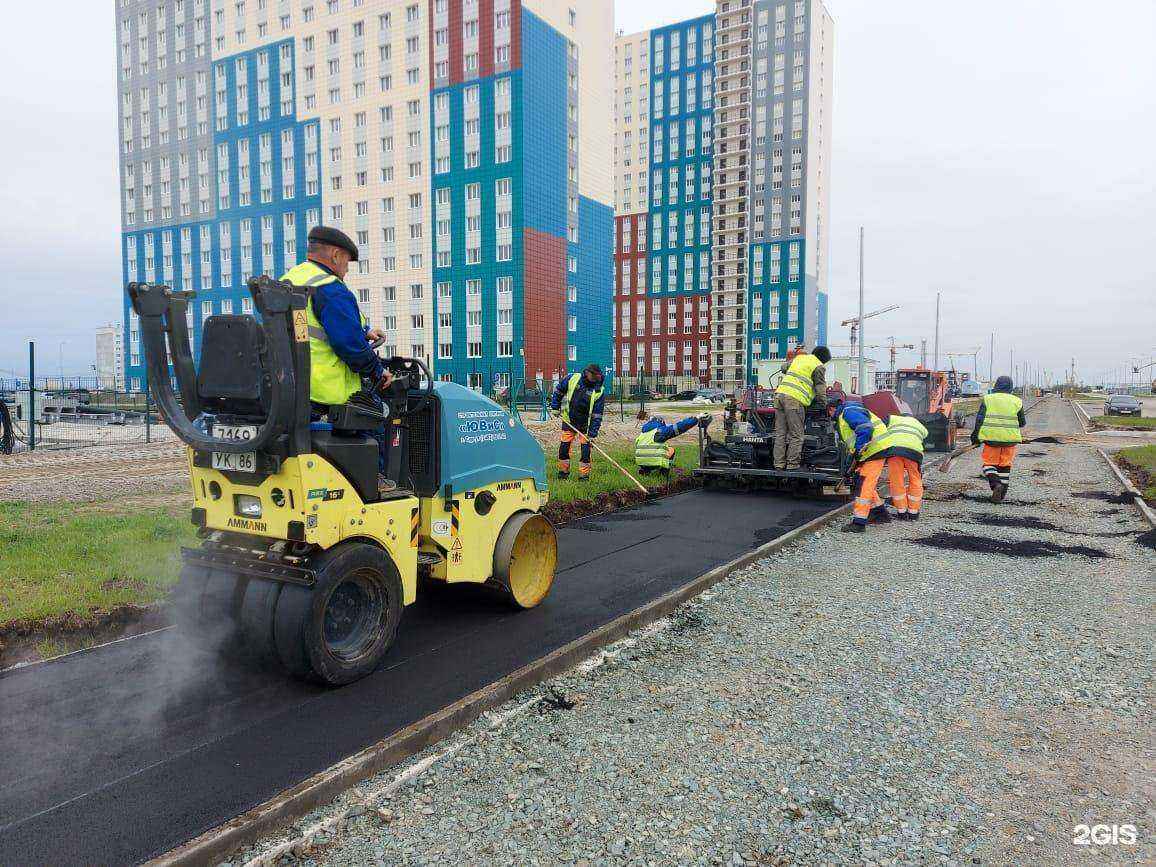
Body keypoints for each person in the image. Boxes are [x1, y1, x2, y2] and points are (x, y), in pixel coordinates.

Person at [281, 226, 393, 469]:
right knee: (378, 416)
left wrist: (364, 331)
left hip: (289, 389)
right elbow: (349, 347)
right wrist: (377, 371)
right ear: (335, 255)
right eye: (346, 262)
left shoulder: (289, 280)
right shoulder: (329, 287)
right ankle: (379, 483)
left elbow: (314, 326)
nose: (346, 270)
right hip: (324, 393)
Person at [773, 345, 831, 470]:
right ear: (824, 359)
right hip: (794, 400)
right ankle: (792, 465)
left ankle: (779, 464)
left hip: (779, 396)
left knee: (780, 434)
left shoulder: (800, 358)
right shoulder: (818, 366)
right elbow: (820, 388)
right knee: (797, 435)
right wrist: (824, 404)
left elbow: (783, 368)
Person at [835, 401, 890, 532]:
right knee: (864, 482)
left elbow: (865, 428)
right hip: (872, 450)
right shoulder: (849, 412)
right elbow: (853, 443)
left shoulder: (848, 411)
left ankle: (859, 523)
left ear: (832, 409)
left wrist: (859, 449)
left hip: (874, 450)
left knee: (864, 484)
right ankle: (879, 512)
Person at [972, 375, 1026, 503]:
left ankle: (996, 485)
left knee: (988, 464)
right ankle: (1001, 495)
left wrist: (975, 436)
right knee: (1005, 466)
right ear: (1011, 387)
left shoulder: (988, 399)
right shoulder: (1017, 401)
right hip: (1010, 441)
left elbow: (980, 419)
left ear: (996, 385)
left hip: (991, 440)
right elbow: (1022, 422)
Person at [550, 364, 606, 479]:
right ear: (587, 373)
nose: (595, 378)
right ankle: (563, 473)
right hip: (569, 421)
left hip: (586, 426)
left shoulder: (599, 391)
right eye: (593, 375)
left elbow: (597, 415)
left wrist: (592, 434)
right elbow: (559, 390)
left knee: (585, 452)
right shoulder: (572, 378)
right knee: (564, 448)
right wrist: (555, 407)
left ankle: (584, 476)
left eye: (597, 376)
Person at [880, 413, 930, 520]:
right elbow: (924, 437)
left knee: (896, 480)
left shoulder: (892, 418)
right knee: (915, 480)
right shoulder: (919, 425)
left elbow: (880, 428)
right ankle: (913, 513)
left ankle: (901, 512)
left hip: (894, 451)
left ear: (901, 416)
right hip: (914, 453)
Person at [634, 413, 709, 474]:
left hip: (641, 462)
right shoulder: (660, 431)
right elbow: (680, 426)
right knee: (671, 450)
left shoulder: (643, 433)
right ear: (661, 423)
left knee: (653, 450)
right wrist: (696, 418)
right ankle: (664, 472)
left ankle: (645, 470)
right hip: (655, 462)